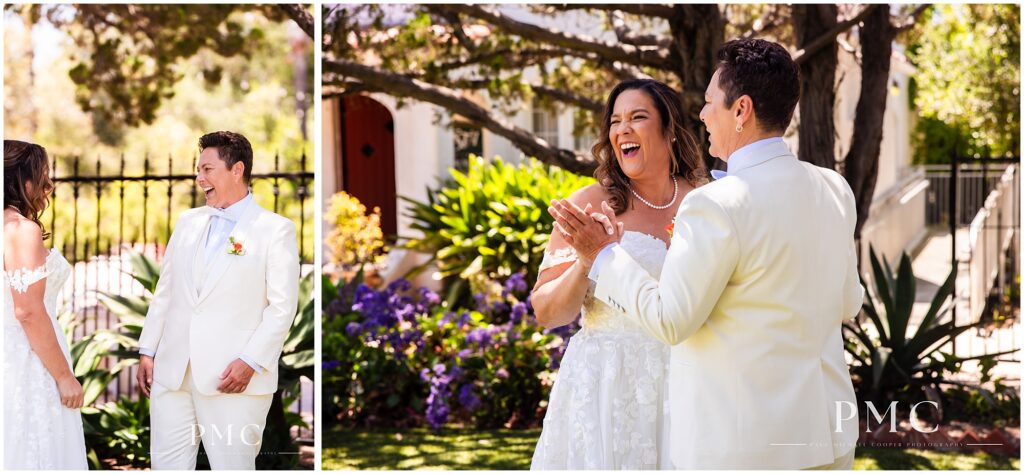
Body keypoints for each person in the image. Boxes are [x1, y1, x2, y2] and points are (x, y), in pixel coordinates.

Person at [551, 38, 862, 469]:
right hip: (826, 437)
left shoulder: (714, 202)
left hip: (742, 445)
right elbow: (850, 302)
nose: (702, 114)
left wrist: (604, 256)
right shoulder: (833, 188)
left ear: (742, 110)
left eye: (711, 102)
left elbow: (671, 321)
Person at [530, 79, 706, 469]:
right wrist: (586, 259)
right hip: (605, 386)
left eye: (638, 117)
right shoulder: (590, 204)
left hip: (691, 380)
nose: (622, 129)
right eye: (615, 121)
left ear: (669, 130)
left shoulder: (705, 200)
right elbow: (547, 313)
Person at [136, 131, 299, 470]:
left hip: (231, 380)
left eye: (207, 169)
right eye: (199, 170)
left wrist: (250, 362)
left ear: (236, 170)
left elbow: (282, 308)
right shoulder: (187, 222)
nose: (199, 179)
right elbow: (166, 290)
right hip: (172, 375)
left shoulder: (274, 230)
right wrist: (148, 349)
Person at [3, 139, 89, 469]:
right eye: (43, 175)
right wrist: (65, 376)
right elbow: (27, 310)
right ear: (19, 179)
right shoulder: (20, 230)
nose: (48, 185)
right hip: (27, 361)